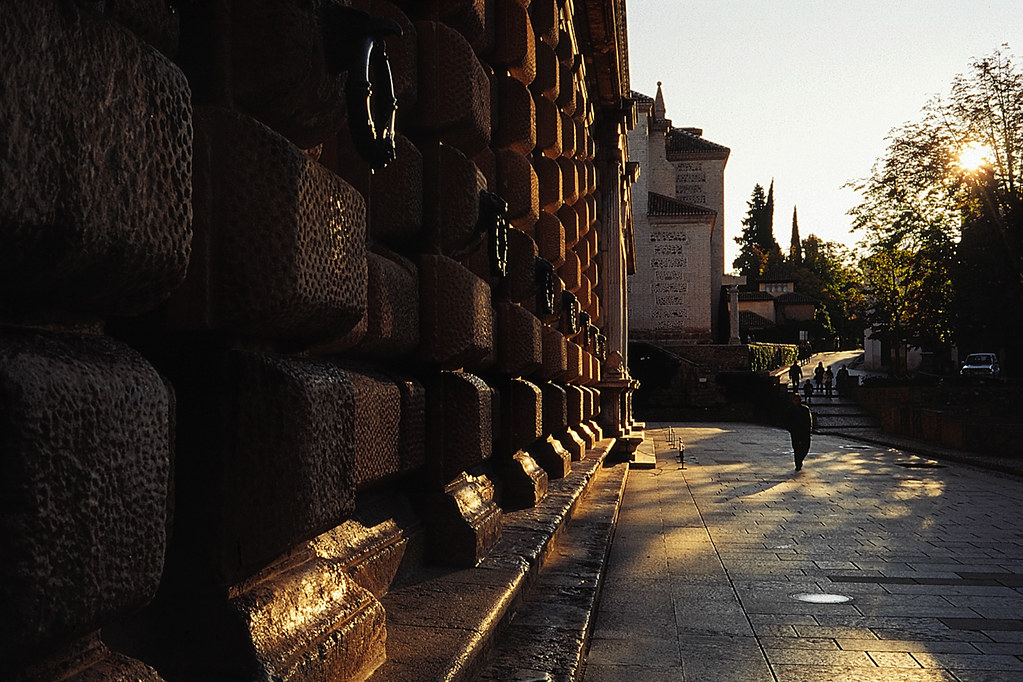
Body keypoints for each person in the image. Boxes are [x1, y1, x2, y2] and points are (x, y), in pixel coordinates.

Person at [785, 392, 813, 471]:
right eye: (795, 400)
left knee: (806, 447)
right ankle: (798, 463)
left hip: (804, 431)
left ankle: (800, 459)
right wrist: (791, 429)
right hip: (795, 432)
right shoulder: (790, 410)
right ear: (793, 401)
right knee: (796, 448)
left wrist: (809, 429)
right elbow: (787, 421)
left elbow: (809, 420)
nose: (797, 402)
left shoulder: (805, 409)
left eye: (798, 400)